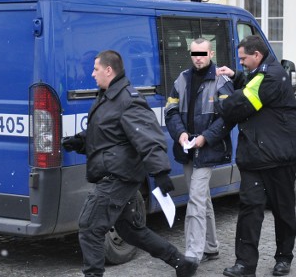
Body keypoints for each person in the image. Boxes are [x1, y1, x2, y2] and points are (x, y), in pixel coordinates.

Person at [62, 50, 198, 277]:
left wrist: (161, 172)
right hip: (115, 172)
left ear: (108, 70)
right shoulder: (107, 96)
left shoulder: (127, 99)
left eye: (96, 69)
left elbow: (149, 136)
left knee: (89, 227)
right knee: (130, 230)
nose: (92, 74)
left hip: (117, 177)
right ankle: (181, 263)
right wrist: (80, 141)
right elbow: (108, 134)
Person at [215, 35, 296, 277]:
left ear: (257, 55)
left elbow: (241, 103)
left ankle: (284, 258)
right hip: (256, 156)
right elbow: (250, 81)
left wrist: (221, 97)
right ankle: (245, 264)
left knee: (283, 210)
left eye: (244, 58)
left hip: (278, 157)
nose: (241, 62)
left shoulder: (272, 76)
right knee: (249, 210)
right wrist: (235, 76)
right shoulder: (264, 72)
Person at [164, 38, 234, 265]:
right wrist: (181, 134)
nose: (198, 57)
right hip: (187, 148)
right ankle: (211, 247)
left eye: (203, 53)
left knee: (195, 199)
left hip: (208, 149)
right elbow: (171, 109)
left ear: (211, 53)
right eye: (195, 53)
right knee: (202, 198)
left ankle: (193, 254)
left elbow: (228, 117)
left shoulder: (221, 80)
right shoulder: (182, 78)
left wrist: (206, 138)